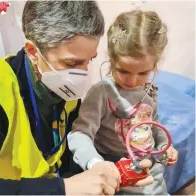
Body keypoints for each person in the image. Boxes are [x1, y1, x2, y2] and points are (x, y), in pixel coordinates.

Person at [0, 1, 122, 195]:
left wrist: (116, 169)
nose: (83, 74)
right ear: (33, 52)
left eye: (90, 60)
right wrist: (63, 188)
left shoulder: (66, 90)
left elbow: (68, 158)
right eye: (72, 62)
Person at [68, 9, 179, 195]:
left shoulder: (149, 90)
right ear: (111, 59)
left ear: (154, 66)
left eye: (143, 73)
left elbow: (154, 126)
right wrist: (96, 163)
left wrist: (165, 147)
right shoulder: (101, 93)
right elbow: (79, 134)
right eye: (123, 71)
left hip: (155, 182)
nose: (132, 81)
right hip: (120, 182)